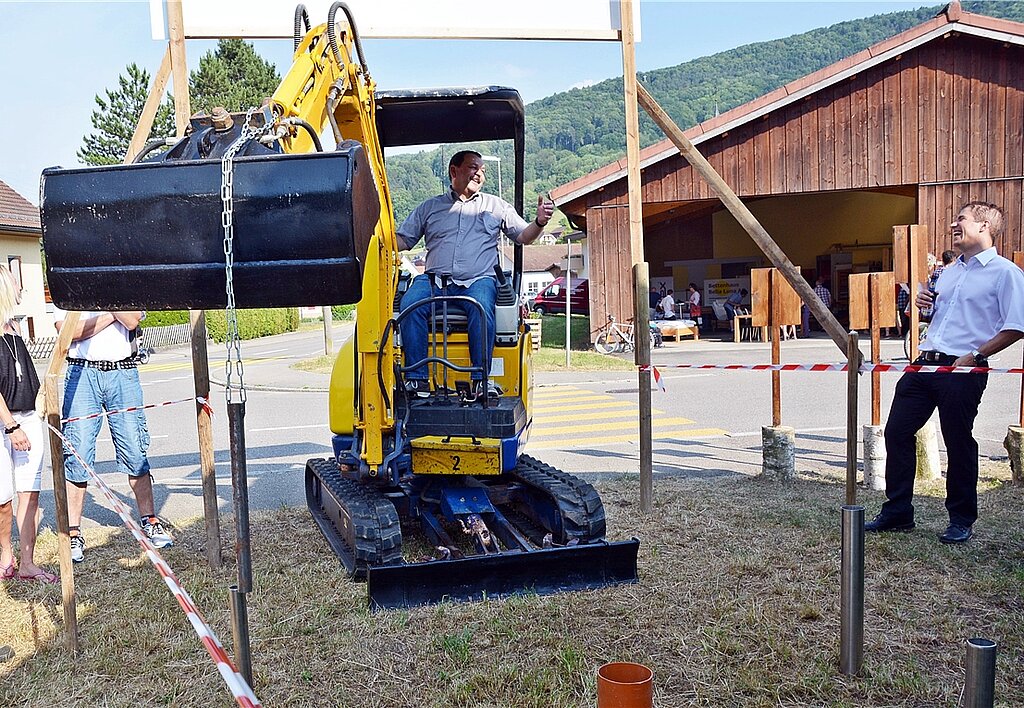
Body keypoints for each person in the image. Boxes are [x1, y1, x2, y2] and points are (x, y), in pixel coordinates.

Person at [866, 202, 1024, 544]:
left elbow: (1016, 326)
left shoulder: (1005, 272)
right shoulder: (948, 271)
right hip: (924, 364)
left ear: (983, 227)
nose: (953, 224)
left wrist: (976, 355)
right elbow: (927, 316)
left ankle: (961, 519)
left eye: (961, 220)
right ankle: (898, 513)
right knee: (896, 432)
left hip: (963, 369)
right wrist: (919, 302)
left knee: (958, 441)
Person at [396, 150, 553, 398]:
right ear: (454, 171)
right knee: (410, 304)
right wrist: (374, 235)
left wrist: (540, 222)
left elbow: (524, 236)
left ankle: (480, 380)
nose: (479, 173)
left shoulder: (496, 206)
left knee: (480, 306)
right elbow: (403, 239)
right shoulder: (430, 208)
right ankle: (417, 380)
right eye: (473, 167)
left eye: (482, 170)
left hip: (478, 279)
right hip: (436, 280)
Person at [55, 309, 172, 562]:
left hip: (123, 372)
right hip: (81, 372)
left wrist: (96, 316)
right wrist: (110, 314)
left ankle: (149, 520)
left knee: (134, 446)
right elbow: (67, 333)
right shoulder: (72, 284)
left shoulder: (121, 280)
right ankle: (73, 532)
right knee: (77, 451)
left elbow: (131, 320)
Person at [0, 266, 56, 583]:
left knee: (29, 493)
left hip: (28, 418)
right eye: (15, 283)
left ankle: (27, 563)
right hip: (5, 424)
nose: (21, 288)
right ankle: (6, 555)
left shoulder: (15, 329)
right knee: (3, 499)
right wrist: (10, 426)